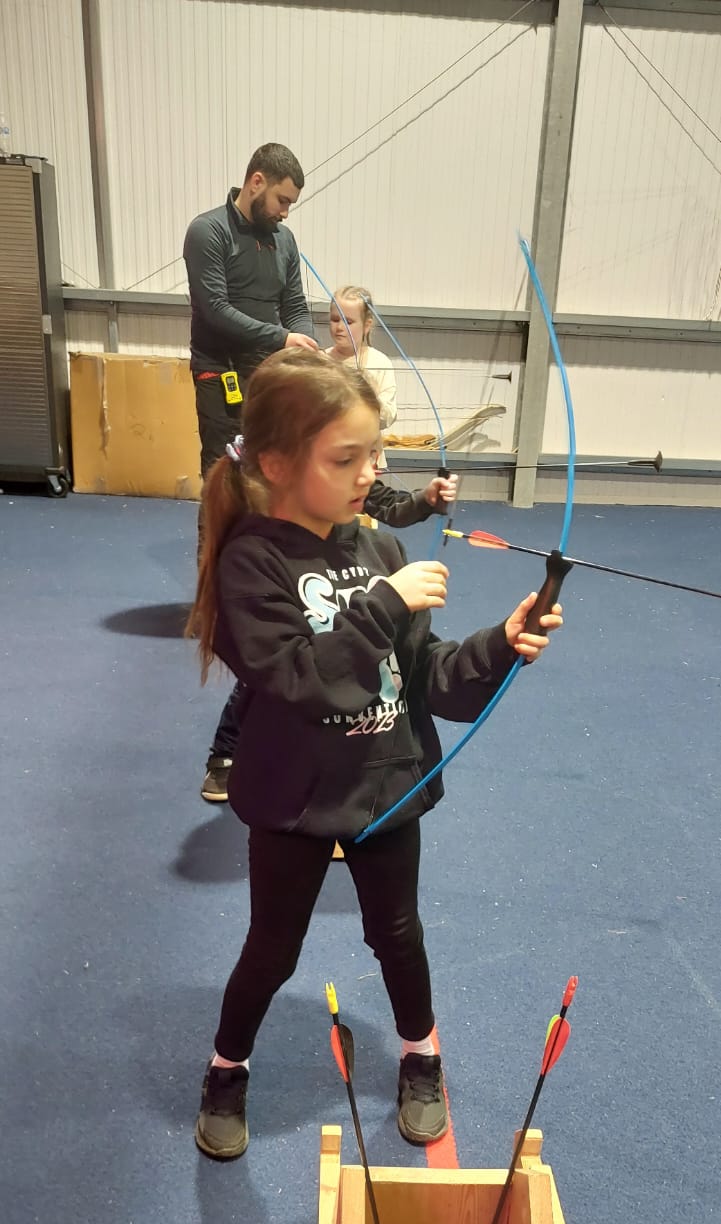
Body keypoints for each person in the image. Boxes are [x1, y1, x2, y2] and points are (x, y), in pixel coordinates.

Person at [185, 348, 562, 1161]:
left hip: (385, 783)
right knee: (271, 948)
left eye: (375, 453)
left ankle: (420, 1054)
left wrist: (500, 644)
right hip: (293, 796)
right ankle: (226, 1067)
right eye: (345, 458)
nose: (370, 473)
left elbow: (429, 679)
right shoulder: (253, 561)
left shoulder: (380, 548)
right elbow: (297, 679)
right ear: (277, 464)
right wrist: (383, 605)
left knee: (397, 935)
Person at [183, 141, 318, 800]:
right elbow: (214, 309)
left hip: (268, 374)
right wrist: (279, 338)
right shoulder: (208, 232)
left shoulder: (283, 241)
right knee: (225, 480)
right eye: (282, 199)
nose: (286, 211)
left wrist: (301, 344)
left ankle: (262, 583)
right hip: (220, 374)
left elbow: (295, 306)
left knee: (271, 484)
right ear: (255, 181)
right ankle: (213, 602)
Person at [325, 285, 397, 466]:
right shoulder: (321, 361)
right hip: (329, 458)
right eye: (335, 319)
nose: (339, 327)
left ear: (367, 325)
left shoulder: (380, 363)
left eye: (348, 322)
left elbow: (389, 415)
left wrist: (367, 399)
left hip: (368, 461)